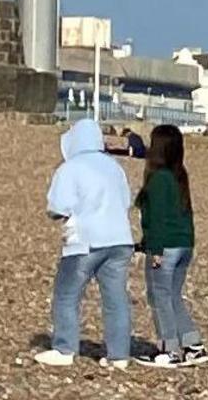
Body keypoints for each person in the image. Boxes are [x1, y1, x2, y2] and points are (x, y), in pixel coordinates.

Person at [36, 116, 135, 367]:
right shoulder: (114, 167)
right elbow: (126, 201)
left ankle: (64, 348)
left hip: (86, 241)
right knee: (115, 298)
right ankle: (119, 355)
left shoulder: (71, 167)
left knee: (67, 294)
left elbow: (58, 206)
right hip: (120, 239)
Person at [136, 122, 207, 366]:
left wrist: (153, 249)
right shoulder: (179, 176)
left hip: (165, 245)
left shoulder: (158, 179)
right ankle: (193, 344)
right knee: (173, 296)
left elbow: (156, 219)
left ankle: (169, 349)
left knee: (159, 297)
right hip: (184, 244)